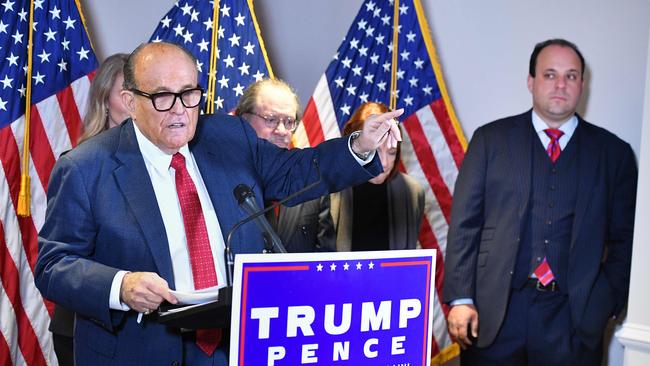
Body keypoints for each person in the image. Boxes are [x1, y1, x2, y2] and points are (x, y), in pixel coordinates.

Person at [34, 41, 403, 366]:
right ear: (130, 102)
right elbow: (54, 265)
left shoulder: (229, 137)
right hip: (141, 349)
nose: (180, 110)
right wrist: (121, 285)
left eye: (190, 93)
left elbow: (297, 172)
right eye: (163, 96)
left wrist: (360, 146)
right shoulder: (85, 167)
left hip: (234, 345)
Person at [443, 39, 637, 365]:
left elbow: (627, 240)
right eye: (550, 74)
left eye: (571, 76)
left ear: (582, 86)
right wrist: (461, 298)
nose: (561, 85)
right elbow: (465, 225)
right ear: (531, 82)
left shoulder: (614, 154)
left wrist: (606, 301)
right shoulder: (490, 141)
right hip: (495, 315)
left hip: (574, 321)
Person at [48, 52, 129, 366]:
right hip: (84, 326)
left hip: (142, 331)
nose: (136, 101)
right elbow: (61, 258)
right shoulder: (79, 164)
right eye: (126, 93)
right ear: (105, 99)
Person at [235, 78, 336, 253]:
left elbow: (325, 262)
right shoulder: (220, 180)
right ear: (244, 120)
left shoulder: (312, 185)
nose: (282, 131)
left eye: (289, 121)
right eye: (271, 119)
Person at [332, 102, 425, 251]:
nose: (384, 163)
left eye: (392, 152)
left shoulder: (412, 192)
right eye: (374, 151)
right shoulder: (330, 190)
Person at [79, 53, 130, 143]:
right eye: (125, 95)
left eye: (140, 94)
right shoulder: (83, 156)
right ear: (104, 100)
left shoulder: (159, 149)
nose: (135, 104)